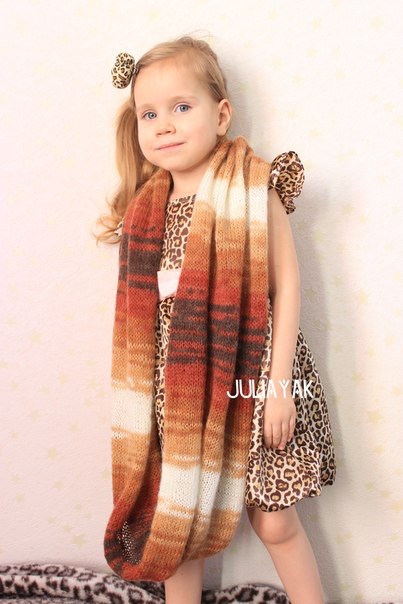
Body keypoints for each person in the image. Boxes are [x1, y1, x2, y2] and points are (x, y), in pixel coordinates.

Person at [97, 34, 336, 604]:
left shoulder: (254, 188)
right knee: (175, 526)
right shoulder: (146, 210)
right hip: (179, 390)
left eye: (182, 107)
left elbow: (287, 287)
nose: (165, 125)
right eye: (149, 114)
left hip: (255, 377)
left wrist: (279, 387)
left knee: (275, 522)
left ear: (221, 114)